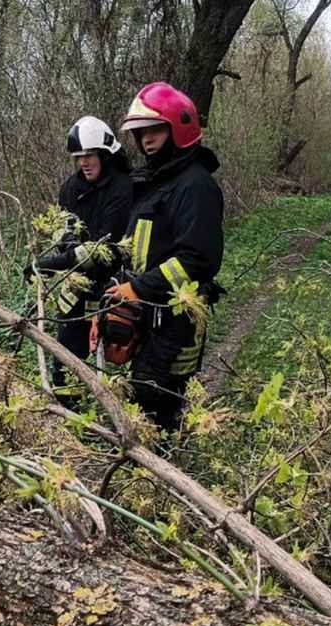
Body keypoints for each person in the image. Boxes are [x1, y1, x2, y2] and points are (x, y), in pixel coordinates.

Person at [94, 82, 224, 431]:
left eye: (154, 130)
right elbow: (133, 250)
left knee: (156, 405)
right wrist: (115, 298)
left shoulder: (196, 186)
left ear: (178, 128)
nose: (146, 139)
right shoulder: (154, 183)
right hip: (144, 316)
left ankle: (163, 477)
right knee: (141, 400)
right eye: (140, 133)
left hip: (176, 322)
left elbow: (197, 260)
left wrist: (139, 289)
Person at [27, 115, 132, 398]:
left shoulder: (124, 188)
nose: (83, 162)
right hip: (77, 289)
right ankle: (68, 411)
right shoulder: (71, 188)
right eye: (79, 157)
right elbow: (63, 230)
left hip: (113, 289)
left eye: (89, 155)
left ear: (104, 154)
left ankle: (116, 415)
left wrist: (49, 264)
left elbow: (105, 250)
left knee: (115, 360)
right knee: (66, 356)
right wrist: (66, 247)